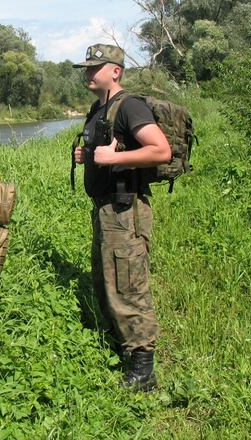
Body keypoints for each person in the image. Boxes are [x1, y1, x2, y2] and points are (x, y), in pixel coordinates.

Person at [72, 44, 172, 392]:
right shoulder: (100, 108)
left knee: (129, 285)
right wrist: (88, 155)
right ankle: (123, 348)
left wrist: (112, 160)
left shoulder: (130, 106)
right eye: (86, 67)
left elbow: (161, 150)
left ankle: (144, 368)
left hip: (125, 210)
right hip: (105, 209)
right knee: (107, 283)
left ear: (115, 71)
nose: (87, 72)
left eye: (94, 67)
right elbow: (106, 150)